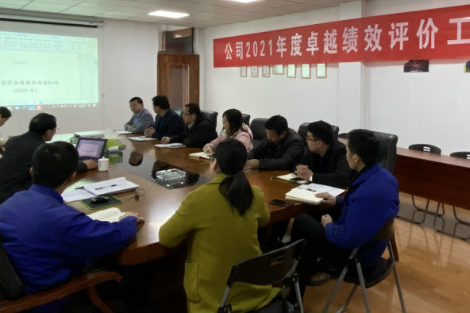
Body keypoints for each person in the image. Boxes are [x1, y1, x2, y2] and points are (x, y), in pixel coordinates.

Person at [0, 142, 140, 313]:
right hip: (49, 298)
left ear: (32, 171)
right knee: (137, 271)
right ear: (72, 176)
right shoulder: (62, 219)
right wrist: (129, 220)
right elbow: (113, 236)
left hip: (23, 280)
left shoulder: (11, 202)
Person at [159, 140, 280, 313]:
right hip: (253, 290)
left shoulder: (198, 198)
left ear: (214, 163)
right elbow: (264, 220)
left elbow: (166, 238)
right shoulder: (254, 193)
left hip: (212, 299)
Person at [289, 128, 399, 291]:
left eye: (347, 151)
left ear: (355, 158)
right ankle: (301, 275)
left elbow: (347, 238)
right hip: (372, 245)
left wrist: (328, 226)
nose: (345, 154)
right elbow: (361, 207)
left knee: (302, 220)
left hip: (358, 255)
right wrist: (337, 200)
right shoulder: (386, 178)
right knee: (314, 228)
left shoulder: (368, 192)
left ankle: (293, 274)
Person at [0, 113, 97, 205]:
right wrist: (84, 165)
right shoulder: (40, 148)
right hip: (13, 198)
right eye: (55, 130)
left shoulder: (13, 141)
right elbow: (58, 170)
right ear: (48, 132)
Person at [295, 120, 351, 188]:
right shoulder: (313, 150)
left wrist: (312, 177)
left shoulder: (341, 152)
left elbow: (341, 178)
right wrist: (299, 168)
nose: (306, 141)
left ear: (319, 143)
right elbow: (300, 163)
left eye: (308, 138)